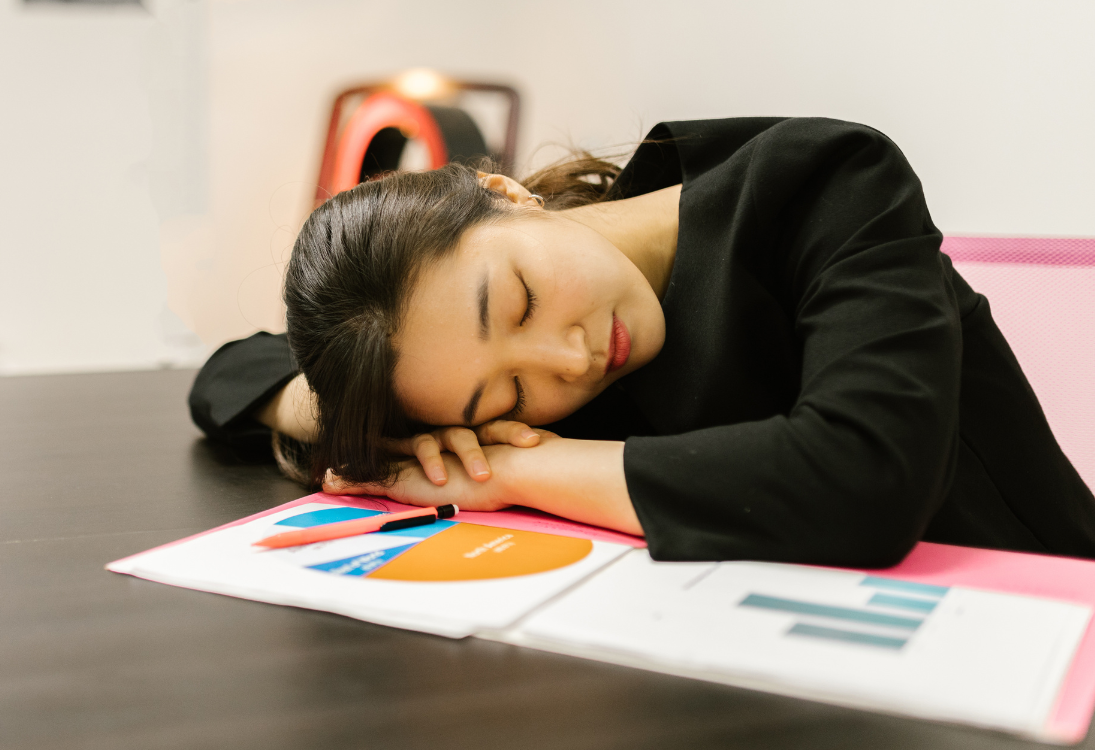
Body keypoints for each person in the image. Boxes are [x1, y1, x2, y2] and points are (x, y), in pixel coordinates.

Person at [190, 117, 1095, 567]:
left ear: (503, 193)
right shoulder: (490, 348)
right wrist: (367, 416)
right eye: (500, 399)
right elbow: (229, 372)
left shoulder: (820, 181)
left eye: (518, 302)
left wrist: (510, 464)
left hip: (1037, 621)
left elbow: (866, 479)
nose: (567, 361)